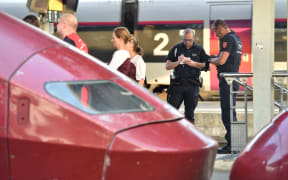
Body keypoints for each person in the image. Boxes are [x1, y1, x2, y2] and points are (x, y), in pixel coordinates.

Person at [210, 19, 242, 154]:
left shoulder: (227, 39)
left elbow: (222, 60)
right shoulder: (237, 38)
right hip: (234, 79)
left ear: (221, 28)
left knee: (227, 112)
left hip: (228, 81)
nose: (216, 35)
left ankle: (231, 145)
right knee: (231, 111)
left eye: (216, 32)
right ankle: (235, 143)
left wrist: (209, 60)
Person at [165, 29, 209, 124]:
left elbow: (205, 65)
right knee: (171, 112)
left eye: (189, 40)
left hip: (192, 84)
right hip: (178, 84)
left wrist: (192, 63)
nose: (187, 42)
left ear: (193, 38)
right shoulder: (176, 48)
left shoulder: (199, 49)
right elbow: (167, 66)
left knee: (189, 114)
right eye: (185, 40)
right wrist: (178, 62)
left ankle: (189, 136)